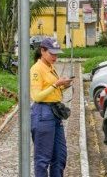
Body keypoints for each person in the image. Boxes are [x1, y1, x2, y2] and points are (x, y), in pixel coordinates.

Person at [30, 38, 72, 177]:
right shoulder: (37, 69)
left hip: (54, 112)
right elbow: (36, 96)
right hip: (43, 113)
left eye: (57, 54)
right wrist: (55, 85)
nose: (55, 57)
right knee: (43, 159)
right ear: (42, 51)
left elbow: (52, 92)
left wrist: (63, 86)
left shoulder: (50, 67)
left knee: (60, 157)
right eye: (52, 53)